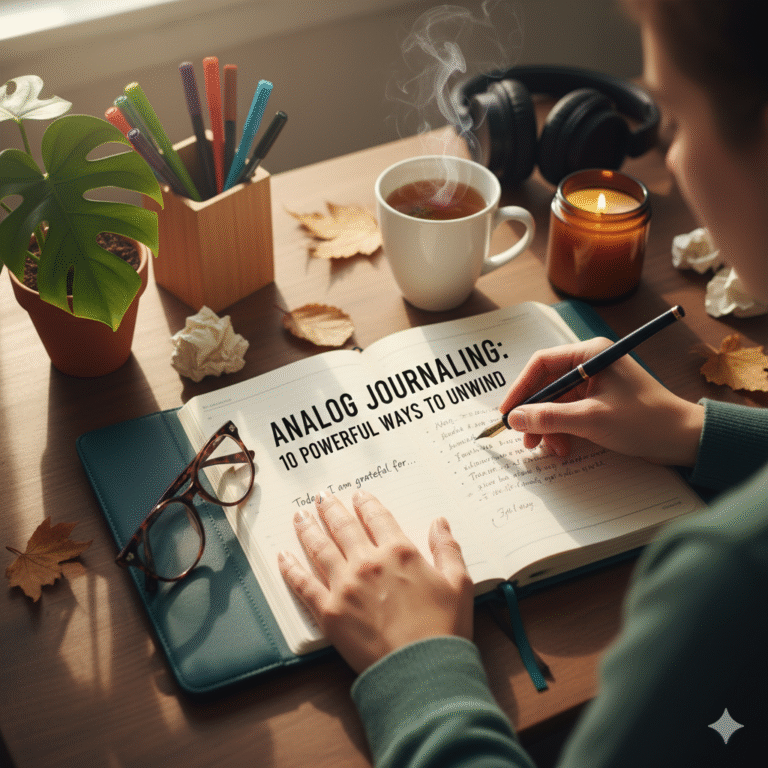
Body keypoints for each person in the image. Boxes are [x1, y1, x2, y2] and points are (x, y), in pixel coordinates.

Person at [278, 1, 768, 765]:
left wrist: (419, 672)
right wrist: (699, 431)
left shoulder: (723, 586)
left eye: (673, 118)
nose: (668, 162)